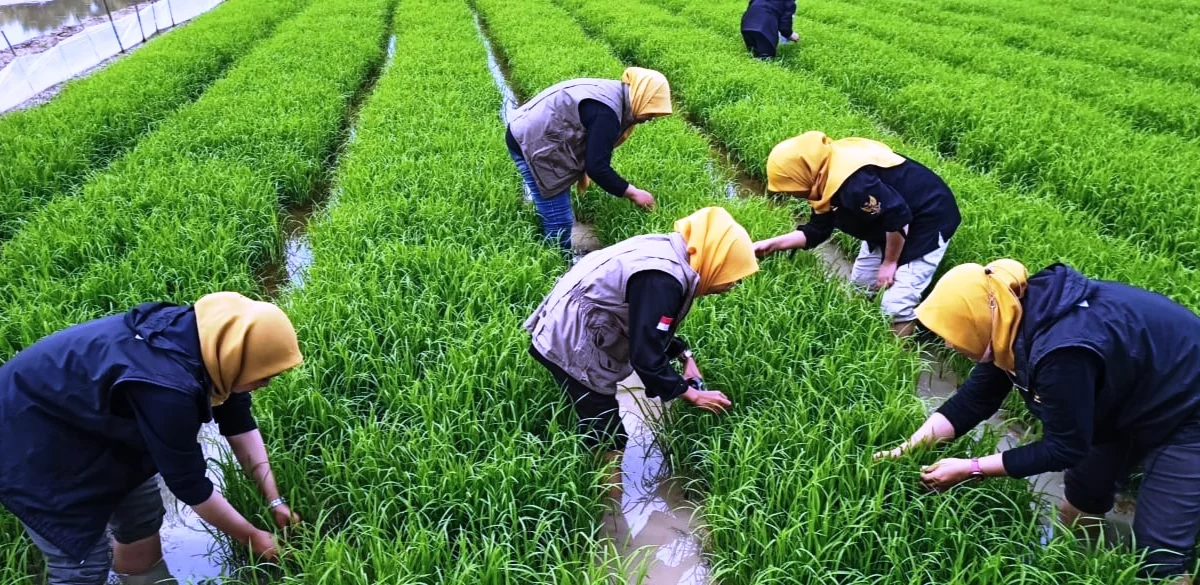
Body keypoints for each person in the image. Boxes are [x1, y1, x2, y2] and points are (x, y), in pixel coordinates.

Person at [876, 259, 1200, 584]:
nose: (948, 344)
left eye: (953, 334)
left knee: (1159, 555)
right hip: (1127, 397)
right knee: (1081, 498)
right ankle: (1074, 568)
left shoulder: (1061, 353)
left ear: (975, 320)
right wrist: (906, 449)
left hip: (1188, 410)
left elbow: (1063, 449)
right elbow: (975, 400)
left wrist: (972, 468)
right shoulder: (1006, 319)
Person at [0, 292, 305, 584]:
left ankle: (144, 579)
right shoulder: (167, 387)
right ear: (238, 357)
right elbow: (190, 486)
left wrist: (274, 500)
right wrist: (253, 537)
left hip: (91, 424)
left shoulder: (218, 350)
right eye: (265, 375)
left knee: (141, 517)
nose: (265, 383)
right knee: (83, 564)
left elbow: (239, 423)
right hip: (27, 438)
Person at [523, 207, 759, 456]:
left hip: (570, 318)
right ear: (717, 259)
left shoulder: (674, 250)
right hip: (570, 339)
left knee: (594, 420)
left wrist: (685, 356)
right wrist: (690, 393)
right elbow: (645, 354)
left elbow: (648, 326)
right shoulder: (663, 280)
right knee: (608, 437)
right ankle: (611, 493)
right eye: (733, 276)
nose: (732, 286)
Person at [753, 131, 960, 337]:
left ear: (803, 172)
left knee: (894, 305)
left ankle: (898, 359)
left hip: (927, 220)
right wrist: (771, 245)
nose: (792, 194)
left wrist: (889, 263)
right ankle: (865, 338)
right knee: (861, 286)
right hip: (887, 222)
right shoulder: (823, 179)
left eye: (790, 187)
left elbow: (897, 218)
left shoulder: (852, 183)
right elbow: (818, 230)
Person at [505, 67, 673, 259]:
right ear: (643, 97)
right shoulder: (607, 113)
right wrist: (634, 193)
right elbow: (597, 167)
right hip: (532, 143)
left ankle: (552, 258)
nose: (650, 118)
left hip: (539, 136)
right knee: (559, 219)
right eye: (651, 112)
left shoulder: (618, 96)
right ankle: (555, 268)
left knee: (557, 210)